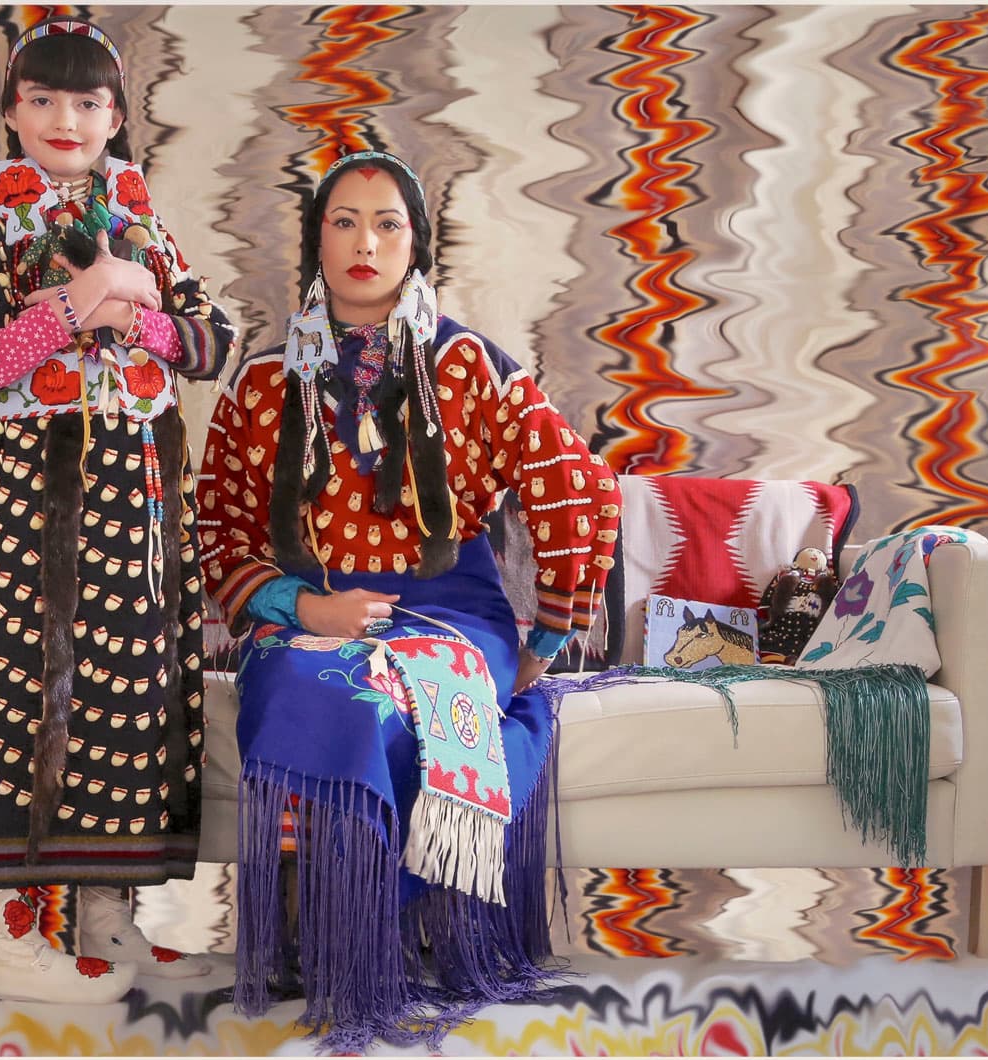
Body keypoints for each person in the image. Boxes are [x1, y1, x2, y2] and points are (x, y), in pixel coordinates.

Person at [197, 149, 622, 1049]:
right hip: (312, 608)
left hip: (450, 611)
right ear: (316, 240)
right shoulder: (263, 380)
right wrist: (306, 611)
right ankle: (330, 936)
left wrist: (546, 637)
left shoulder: (469, 366)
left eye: (388, 224)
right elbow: (219, 533)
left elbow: (579, 488)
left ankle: (386, 935)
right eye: (343, 221)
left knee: (407, 694)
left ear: (417, 245)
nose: (365, 242)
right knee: (313, 690)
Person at [0, 16, 235, 1004]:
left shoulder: (146, 218)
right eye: (45, 98)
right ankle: (8, 937)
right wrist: (84, 301)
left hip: (140, 490)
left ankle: (106, 922)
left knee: (130, 702)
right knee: (23, 695)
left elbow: (206, 343)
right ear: (14, 108)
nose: (68, 118)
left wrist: (128, 304)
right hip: (38, 491)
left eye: (90, 101)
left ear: (115, 114)